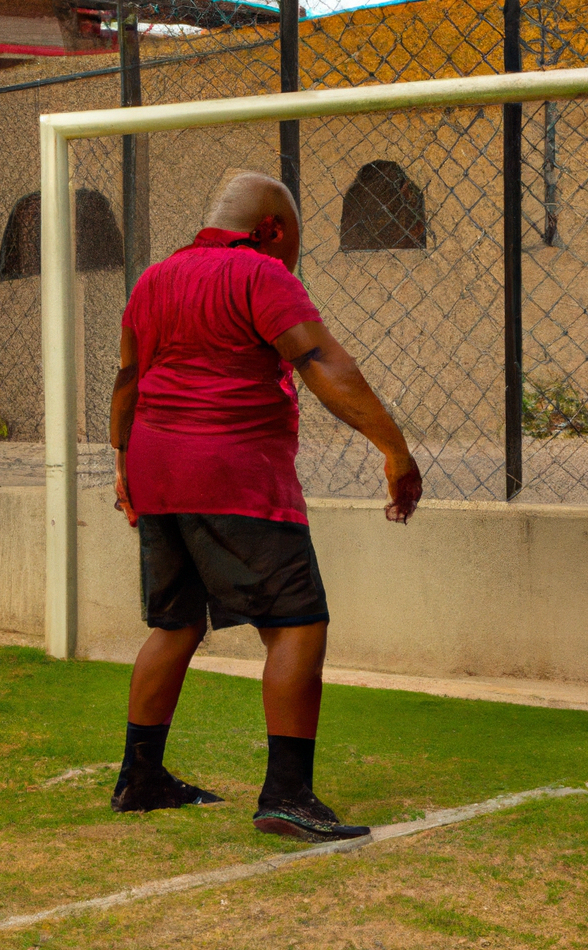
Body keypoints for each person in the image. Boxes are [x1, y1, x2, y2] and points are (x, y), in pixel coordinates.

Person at [108, 171, 422, 842]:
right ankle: (287, 795)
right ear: (273, 230)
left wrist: (120, 464)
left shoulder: (153, 280)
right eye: (293, 244)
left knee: (175, 624)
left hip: (156, 468)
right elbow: (322, 362)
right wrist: (394, 448)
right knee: (297, 625)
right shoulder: (259, 273)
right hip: (234, 473)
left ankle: (140, 777)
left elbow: (128, 378)